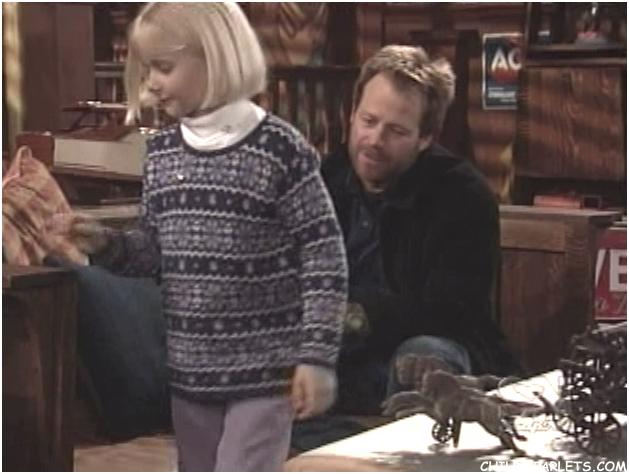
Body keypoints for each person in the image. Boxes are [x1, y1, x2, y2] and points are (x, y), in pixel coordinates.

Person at [49, 3, 347, 471]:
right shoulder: (162, 154)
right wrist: (105, 244)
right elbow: (154, 252)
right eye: (146, 69)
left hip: (264, 374)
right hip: (190, 375)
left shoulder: (280, 149)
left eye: (163, 68)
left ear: (215, 58)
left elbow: (324, 257)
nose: (150, 84)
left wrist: (317, 355)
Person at [321, 45, 520, 416]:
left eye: (396, 130)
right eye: (368, 121)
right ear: (352, 114)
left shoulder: (462, 194)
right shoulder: (325, 179)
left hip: (431, 349)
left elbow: (449, 309)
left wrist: (356, 315)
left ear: (426, 137)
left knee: (422, 357)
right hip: (337, 355)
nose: (375, 140)